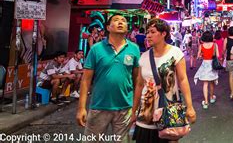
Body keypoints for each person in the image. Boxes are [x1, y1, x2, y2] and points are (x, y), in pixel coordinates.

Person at [76, 14, 141, 142]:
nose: (121, 22)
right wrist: (81, 108)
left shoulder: (134, 49)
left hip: (125, 108)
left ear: (127, 27)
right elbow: (86, 80)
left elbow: (138, 80)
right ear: (108, 27)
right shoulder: (96, 49)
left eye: (123, 21)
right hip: (99, 106)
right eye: (116, 20)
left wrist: (135, 108)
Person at [132, 19, 196, 142]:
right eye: (147, 32)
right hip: (147, 113)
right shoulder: (144, 57)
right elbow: (139, 85)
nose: (148, 35)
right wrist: (133, 111)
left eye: (152, 32)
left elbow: (182, 80)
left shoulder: (175, 53)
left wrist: (190, 107)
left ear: (163, 34)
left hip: (170, 111)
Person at [194, 31, 219, 109]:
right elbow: (217, 55)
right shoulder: (215, 45)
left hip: (205, 64)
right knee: (211, 82)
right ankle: (211, 98)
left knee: (205, 84)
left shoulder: (201, 45)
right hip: (212, 65)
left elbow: (198, 56)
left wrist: (202, 55)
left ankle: (206, 102)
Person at [223, 26, 233, 99]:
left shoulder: (226, 39)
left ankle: (232, 93)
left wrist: (223, 56)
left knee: (231, 76)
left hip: (229, 59)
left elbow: (224, 50)